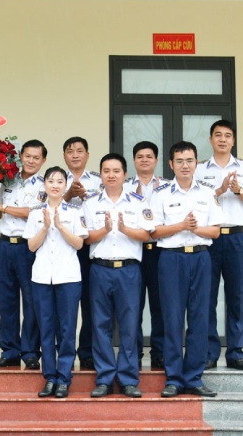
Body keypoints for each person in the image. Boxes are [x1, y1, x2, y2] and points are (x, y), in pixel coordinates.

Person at [152, 141, 224, 399]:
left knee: (199, 318)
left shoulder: (207, 193)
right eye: (180, 161)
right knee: (172, 319)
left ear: (196, 163)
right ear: (171, 164)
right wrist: (181, 226)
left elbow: (215, 231)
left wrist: (195, 229)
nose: (185, 165)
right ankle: (173, 378)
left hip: (201, 258)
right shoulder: (160, 193)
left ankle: (194, 377)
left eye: (190, 160)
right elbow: (154, 231)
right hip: (171, 259)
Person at [82, 153, 153, 398]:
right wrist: (104, 230)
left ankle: (128, 379)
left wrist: (124, 229)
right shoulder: (91, 203)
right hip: (100, 270)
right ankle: (104, 378)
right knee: (100, 324)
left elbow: (147, 235)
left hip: (129, 271)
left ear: (124, 174)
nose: (111, 175)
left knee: (129, 325)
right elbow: (86, 238)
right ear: (101, 174)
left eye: (116, 171)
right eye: (106, 171)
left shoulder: (138, 201)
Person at [194, 119, 243, 371]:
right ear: (211, 139)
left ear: (233, 140)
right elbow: (194, 199)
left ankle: (235, 353)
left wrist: (238, 190)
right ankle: (210, 352)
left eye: (227, 135)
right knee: (207, 296)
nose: (222, 139)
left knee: (236, 296)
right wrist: (219, 189)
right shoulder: (200, 169)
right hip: (209, 239)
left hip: (236, 238)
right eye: (218, 135)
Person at [23, 166, 88, 399]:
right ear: (45, 185)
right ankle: (50, 377)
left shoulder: (75, 212)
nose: (55, 185)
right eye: (51, 181)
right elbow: (31, 246)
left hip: (68, 277)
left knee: (67, 328)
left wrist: (60, 226)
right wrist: (45, 226)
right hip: (42, 277)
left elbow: (79, 244)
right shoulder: (35, 213)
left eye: (60, 181)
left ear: (65, 185)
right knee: (46, 328)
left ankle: (64, 377)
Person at [0, 139, 47, 370]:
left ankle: (30, 352)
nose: (31, 161)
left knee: (31, 301)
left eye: (36, 158)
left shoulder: (45, 185)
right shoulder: (9, 179)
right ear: (20, 156)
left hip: (28, 247)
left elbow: (32, 213)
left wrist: (1, 208)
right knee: (6, 300)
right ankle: (9, 351)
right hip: (4, 247)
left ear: (43, 160)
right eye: (27, 156)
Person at [61, 136, 103, 371]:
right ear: (64, 156)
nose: (75, 155)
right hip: (62, 247)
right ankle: (61, 352)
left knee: (89, 300)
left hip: (89, 247)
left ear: (87, 155)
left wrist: (87, 197)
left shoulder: (99, 180)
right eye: (70, 151)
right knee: (64, 302)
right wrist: (68, 194)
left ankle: (87, 352)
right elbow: (47, 208)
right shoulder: (55, 179)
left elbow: (105, 207)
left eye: (79, 151)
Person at [124, 140, 165, 370]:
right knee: (134, 306)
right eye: (140, 156)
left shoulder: (167, 186)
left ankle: (159, 353)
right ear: (134, 160)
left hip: (159, 252)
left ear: (156, 160)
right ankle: (135, 353)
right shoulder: (125, 187)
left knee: (160, 304)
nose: (145, 160)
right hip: (134, 250)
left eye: (149, 156)